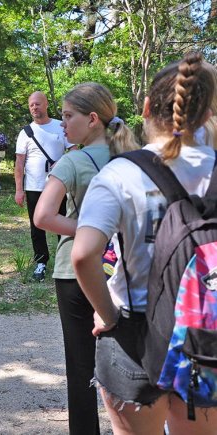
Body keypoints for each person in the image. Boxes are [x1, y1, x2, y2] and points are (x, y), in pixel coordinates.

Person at [71, 53, 217, 434]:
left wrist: (107, 315)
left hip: (133, 334)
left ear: (147, 107)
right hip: (205, 332)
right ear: (207, 113)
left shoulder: (120, 173)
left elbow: (83, 254)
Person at [33, 82, 139, 435]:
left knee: (80, 368)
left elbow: (43, 216)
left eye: (68, 116)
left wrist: (90, 228)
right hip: (124, 270)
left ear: (92, 119)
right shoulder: (131, 158)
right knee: (130, 360)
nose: (62, 124)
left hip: (75, 273)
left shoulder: (73, 161)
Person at [14, 91, 76, 281]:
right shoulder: (25, 133)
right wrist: (19, 190)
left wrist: (62, 162)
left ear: (46, 104)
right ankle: (41, 262)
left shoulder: (60, 126)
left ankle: (65, 261)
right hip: (34, 187)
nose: (34, 107)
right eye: (31, 105)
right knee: (36, 225)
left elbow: (74, 150)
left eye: (38, 104)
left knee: (62, 223)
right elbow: (19, 163)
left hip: (59, 186)